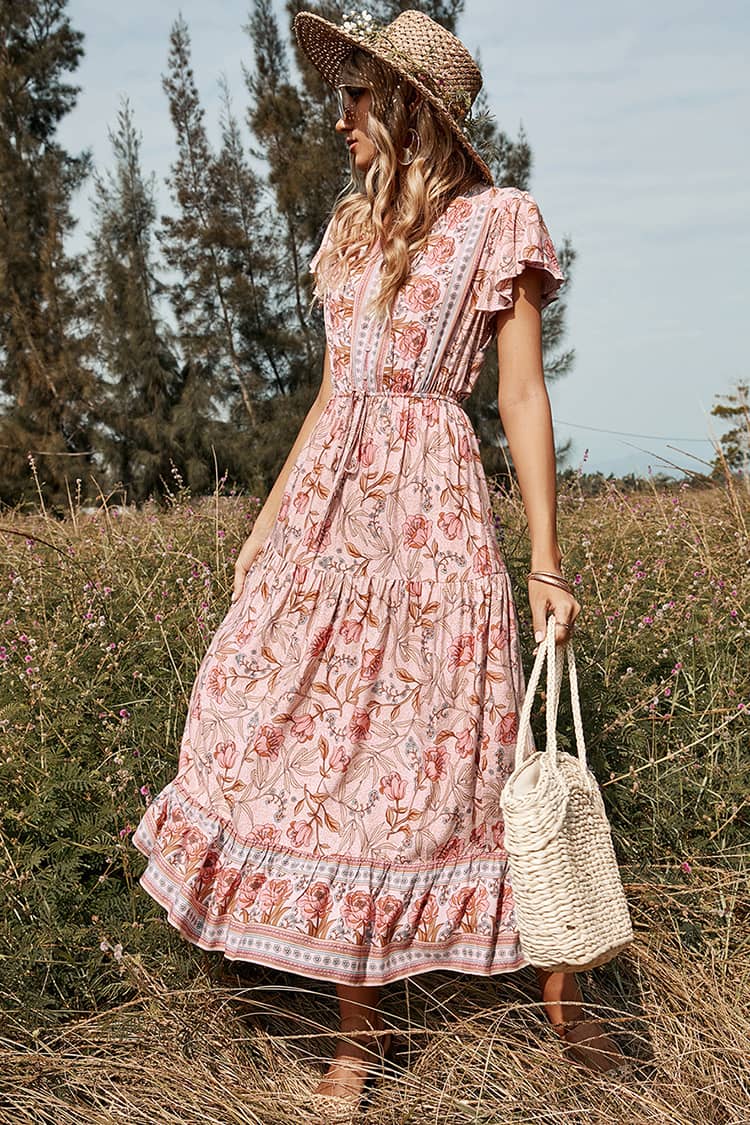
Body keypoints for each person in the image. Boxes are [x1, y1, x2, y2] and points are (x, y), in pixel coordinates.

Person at [132, 7, 627, 1116]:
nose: (339, 116)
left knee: (463, 756)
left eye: (356, 96)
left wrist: (546, 562)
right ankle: (363, 1036)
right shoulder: (349, 229)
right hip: (327, 515)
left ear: (410, 108)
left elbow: (518, 396)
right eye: (342, 93)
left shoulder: (503, 222)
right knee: (285, 735)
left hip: (432, 517)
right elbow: (329, 391)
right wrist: (267, 521)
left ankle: (565, 1002)